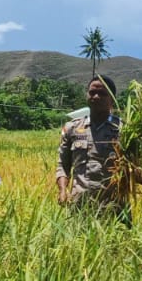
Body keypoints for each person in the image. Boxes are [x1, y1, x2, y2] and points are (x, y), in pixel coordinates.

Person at [56, 75, 129, 221]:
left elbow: (138, 169)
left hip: (115, 208)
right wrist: (63, 190)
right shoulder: (72, 128)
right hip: (80, 206)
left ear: (112, 99)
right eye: (92, 92)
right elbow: (62, 165)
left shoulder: (125, 130)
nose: (96, 97)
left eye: (102, 94)